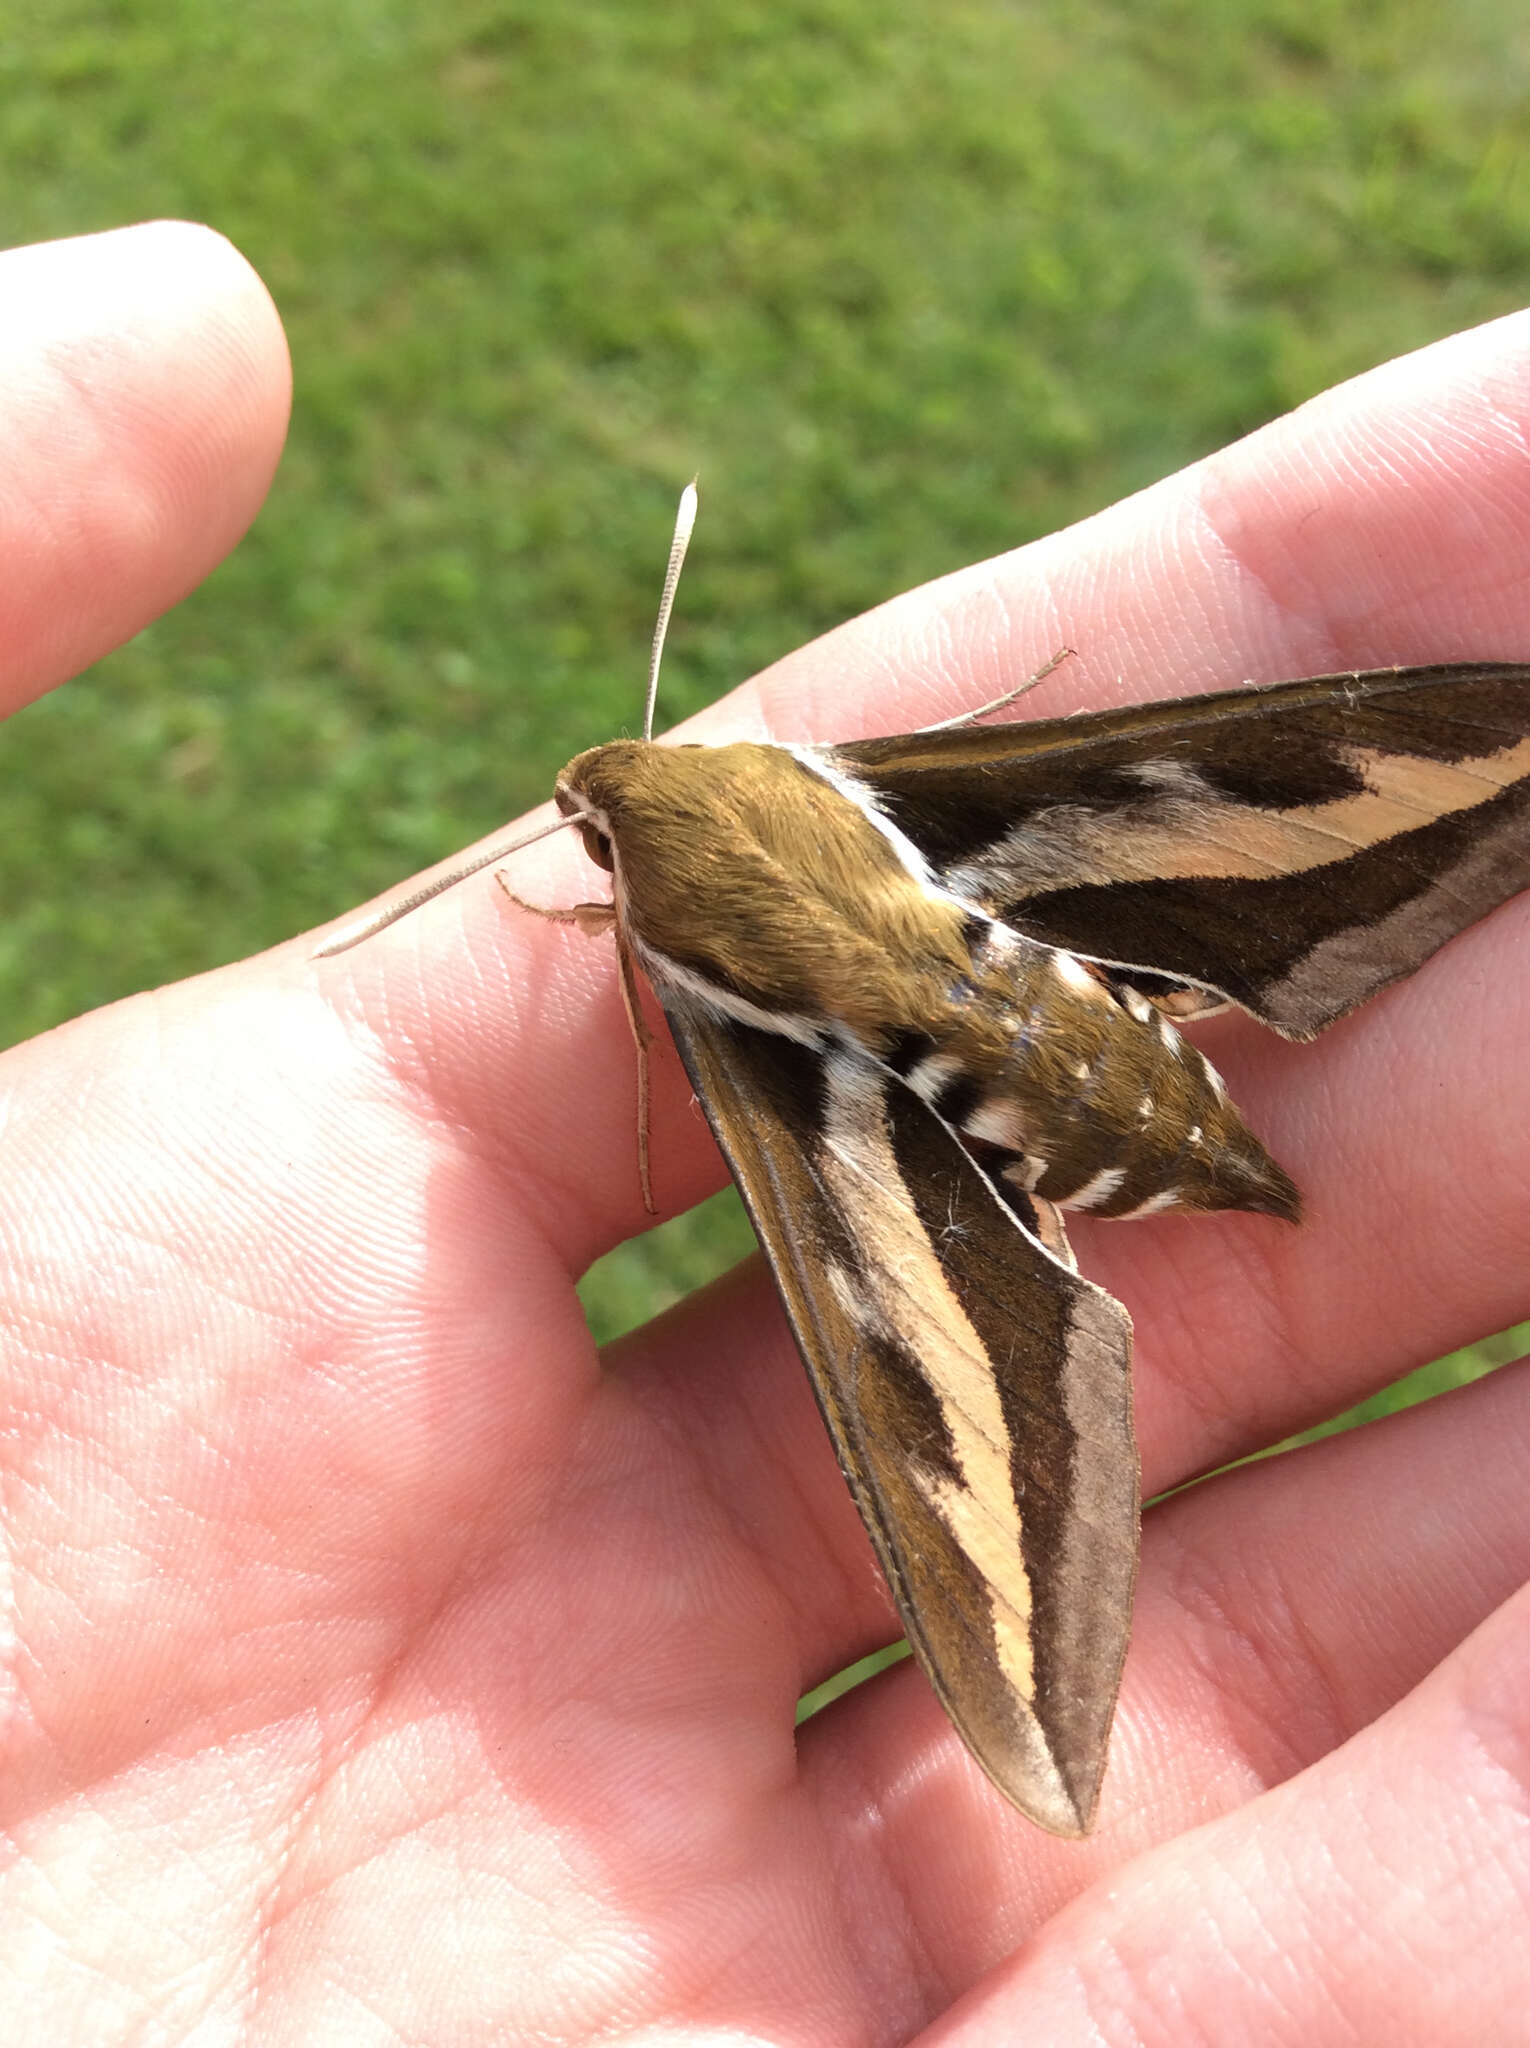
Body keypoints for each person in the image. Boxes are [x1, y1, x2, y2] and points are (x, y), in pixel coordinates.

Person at [4, 220, 1527, 2043]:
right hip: (1072, 952)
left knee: (913, 1356)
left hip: (1020, 1060)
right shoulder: (863, 797)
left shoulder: (696, 988)